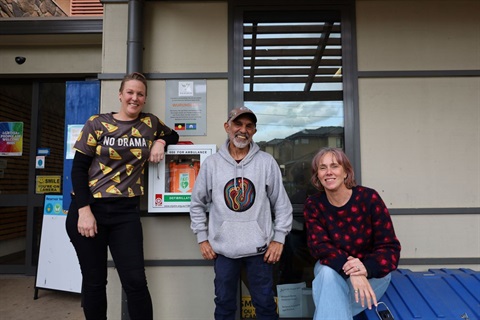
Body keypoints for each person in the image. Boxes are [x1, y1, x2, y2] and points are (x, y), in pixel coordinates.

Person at [66, 72, 179, 320]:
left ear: (145, 98)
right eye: (130, 92)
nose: (134, 98)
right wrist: (84, 211)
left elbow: (172, 135)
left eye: (140, 94)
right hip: (90, 209)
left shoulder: (150, 124)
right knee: (95, 282)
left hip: (126, 212)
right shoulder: (97, 123)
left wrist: (161, 142)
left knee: (136, 281)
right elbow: (78, 169)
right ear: (120, 94)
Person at [189, 106, 293, 320]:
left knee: (265, 305)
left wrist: (279, 239)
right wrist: (202, 239)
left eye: (249, 126)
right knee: (225, 306)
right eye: (238, 124)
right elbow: (197, 203)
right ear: (227, 127)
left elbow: (282, 205)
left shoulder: (266, 163)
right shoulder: (212, 165)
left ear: (254, 131)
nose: (243, 130)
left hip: (260, 251)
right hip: (224, 252)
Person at [303, 147, 401, 319]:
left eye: (334, 166)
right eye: (322, 167)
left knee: (330, 304)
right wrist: (353, 271)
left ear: (346, 172)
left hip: (372, 274)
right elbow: (319, 246)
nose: (328, 172)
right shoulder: (314, 205)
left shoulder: (369, 198)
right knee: (325, 273)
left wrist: (364, 269)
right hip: (333, 270)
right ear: (317, 175)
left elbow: (389, 248)